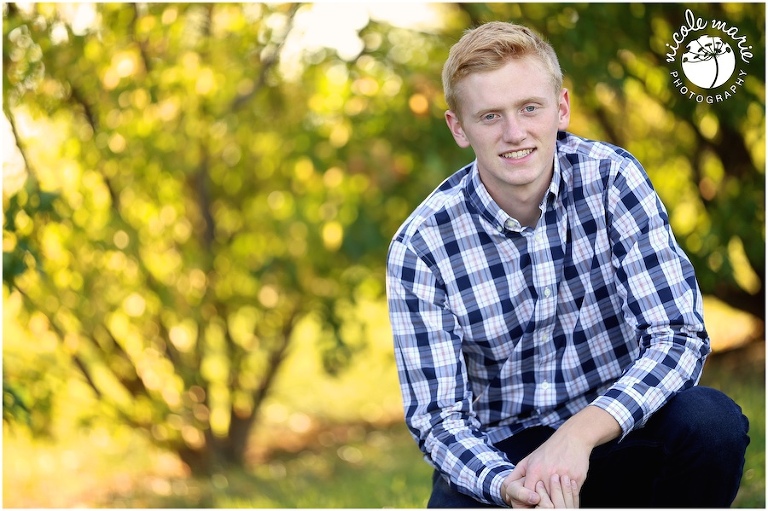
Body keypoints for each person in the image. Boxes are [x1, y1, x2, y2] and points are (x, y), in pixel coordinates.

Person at [386, 20, 749, 508]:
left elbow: (678, 336)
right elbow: (438, 418)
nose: (515, 133)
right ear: (459, 127)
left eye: (529, 108)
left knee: (711, 423)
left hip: (618, 428)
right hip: (506, 457)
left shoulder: (612, 180)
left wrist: (578, 435)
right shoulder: (421, 247)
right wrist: (508, 485)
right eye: (490, 116)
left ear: (561, 108)